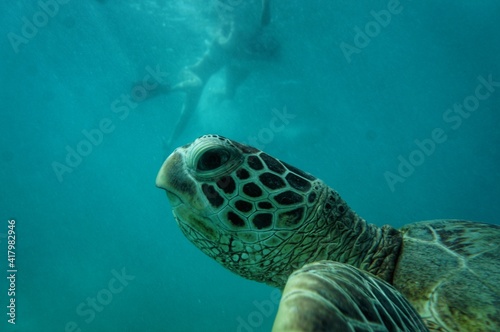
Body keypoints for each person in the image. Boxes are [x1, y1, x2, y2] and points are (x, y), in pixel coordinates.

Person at [147, 0, 279, 149]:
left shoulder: (236, 47)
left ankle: (170, 127)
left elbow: (262, 23)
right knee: (196, 89)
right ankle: (167, 92)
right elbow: (258, 24)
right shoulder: (222, 43)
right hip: (201, 70)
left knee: (226, 93)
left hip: (236, 57)